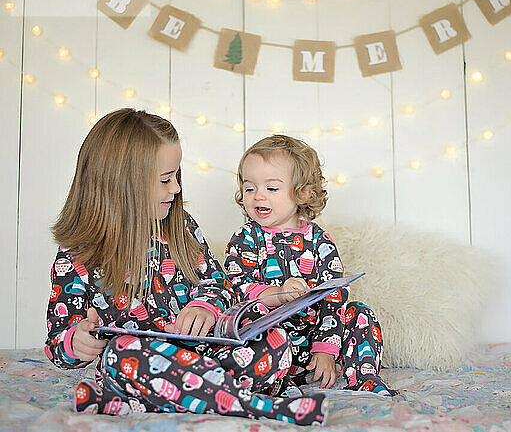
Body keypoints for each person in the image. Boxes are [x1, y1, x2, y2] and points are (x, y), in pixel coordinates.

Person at [45, 109, 328, 425]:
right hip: (140, 362)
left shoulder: (181, 227)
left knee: (275, 341)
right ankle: (259, 408)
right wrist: (78, 342)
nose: (176, 188)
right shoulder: (78, 254)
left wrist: (204, 306)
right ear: (121, 184)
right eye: (166, 179)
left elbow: (222, 286)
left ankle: (131, 403)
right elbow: (59, 341)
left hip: (204, 357)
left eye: (176, 176)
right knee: (122, 351)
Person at [224, 134, 395, 396]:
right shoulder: (244, 238)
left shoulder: (319, 241)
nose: (258, 196)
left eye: (271, 188)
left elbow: (333, 295)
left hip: (317, 338)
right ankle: (272, 383)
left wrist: (326, 348)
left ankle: (364, 377)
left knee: (360, 313)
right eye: (249, 188)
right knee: (246, 330)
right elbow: (237, 288)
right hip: (272, 338)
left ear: (302, 192)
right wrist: (278, 294)